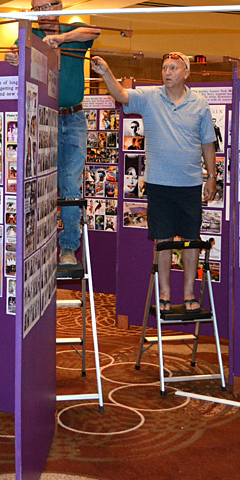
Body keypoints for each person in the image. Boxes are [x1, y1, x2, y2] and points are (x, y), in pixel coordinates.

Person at [91, 52, 215, 313]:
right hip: (159, 184)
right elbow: (122, 95)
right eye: (164, 67)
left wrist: (212, 176)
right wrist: (105, 73)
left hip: (191, 184)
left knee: (191, 239)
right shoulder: (149, 97)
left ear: (186, 73)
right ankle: (166, 295)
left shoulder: (200, 104)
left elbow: (207, 143)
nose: (167, 72)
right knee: (163, 240)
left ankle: (189, 293)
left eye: (173, 68)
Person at [6, 0, 99, 265]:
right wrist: (14, 61)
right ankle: (38, 243)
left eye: (47, 7)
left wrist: (62, 39)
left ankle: (69, 248)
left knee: (69, 181)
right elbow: (16, 57)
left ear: (58, 8)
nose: (42, 14)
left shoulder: (74, 30)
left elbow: (94, 32)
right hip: (42, 119)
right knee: (39, 184)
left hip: (73, 117)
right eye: (37, 9)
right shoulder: (30, 36)